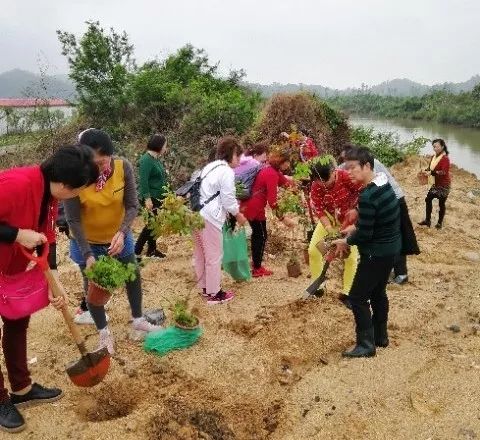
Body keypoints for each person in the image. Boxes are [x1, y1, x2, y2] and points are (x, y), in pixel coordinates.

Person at [0, 145, 98, 433]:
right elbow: (26, 233)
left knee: (17, 321)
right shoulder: (16, 185)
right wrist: (17, 234)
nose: (79, 195)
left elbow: (47, 236)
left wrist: (53, 279)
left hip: (10, 269)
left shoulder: (49, 192)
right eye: (79, 190)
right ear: (67, 185)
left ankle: (22, 389)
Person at [64, 129, 162, 354]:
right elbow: (73, 219)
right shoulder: (75, 177)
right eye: (92, 162)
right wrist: (88, 254)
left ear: (111, 155)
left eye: (102, 161)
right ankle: (104, 333)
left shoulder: (122, 167)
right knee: (93, 288)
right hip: (86, 242)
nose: (97, 167)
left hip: (119, 237)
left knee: (133, 274)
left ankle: (138, 319)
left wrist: (122, 232)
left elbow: (132, 205)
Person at [333, 147, 401, 358]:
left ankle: (365, 344)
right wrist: (354, 227)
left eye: (353, 168)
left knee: (357, 297)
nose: (349, 173)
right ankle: (380, 336)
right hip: (391, 250)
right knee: (378, 292)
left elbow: (365, 234)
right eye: (346, 168)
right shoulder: (383, 182)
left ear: (367, 166)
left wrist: (346, 240)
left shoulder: (368, 195)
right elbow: (371, 220)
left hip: (375, 253)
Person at [339, 145, 420, 285]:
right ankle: (386, 270)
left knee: (397, 234)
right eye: (345, 161)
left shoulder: (369, 166)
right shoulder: (357, 166)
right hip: (384, 201)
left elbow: (373, 192)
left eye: (349, 162)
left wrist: (357, 212)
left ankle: (401, 273)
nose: (347, 165)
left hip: (395, 199)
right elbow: (338, 170)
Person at [193, 136, 247, 304]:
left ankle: (205, 288)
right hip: (210, 217)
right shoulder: (226, 171)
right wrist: (238, 215)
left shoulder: (210, 167)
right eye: (238, 156)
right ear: (232, 154)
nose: (239, 160)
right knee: (214, 256)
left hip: (195, 213)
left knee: (201, 254)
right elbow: (228, 199)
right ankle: (214, 294)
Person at [308, 156, 361, 302]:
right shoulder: (316, 185)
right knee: (313, 250)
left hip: (349, 221)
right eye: (318, 182)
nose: (323, 185)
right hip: (329, 220)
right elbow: (318, 208)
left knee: (349, 257)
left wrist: (353, 223)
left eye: (326, 181)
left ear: (333, 172)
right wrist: (329, 228)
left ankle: (348, 293)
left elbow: (364, 196)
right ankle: (318, 286)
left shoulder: (347, 178)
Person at [240, 151, 294, 277]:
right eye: (287, 163)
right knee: (261, 236)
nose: (288, 166)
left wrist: (297, 188)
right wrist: (283, 218)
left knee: (259, 235)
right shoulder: (271, 174)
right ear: (282, 162)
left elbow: (286, 183)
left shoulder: (271, 170)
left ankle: (256, 266)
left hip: (249, 205)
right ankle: (257, 268)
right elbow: (273, 202)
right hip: (254, 207)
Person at [134, 133, 169, 259]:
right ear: (159, 146)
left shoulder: (155, 159)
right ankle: (136, 250)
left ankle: (152, 250)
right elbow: (143, 181)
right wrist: (147, 198)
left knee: (156, 224)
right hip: (152, 198)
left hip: (159, 197)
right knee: (151, 225)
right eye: (165, 145)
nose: (166, 148)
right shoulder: (146, 160)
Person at [418, 139, 451, 229]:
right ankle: (427, 221)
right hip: (435, 184)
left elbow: (443, 172)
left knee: (441, 203)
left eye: (436, 146)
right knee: (428, 199)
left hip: (444, 185)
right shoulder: (433, 157)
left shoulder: (445, 159)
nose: (435, 148)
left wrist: (431, 173)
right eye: (433, 146)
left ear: (442, 147)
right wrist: (425, 171)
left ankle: (439, 223)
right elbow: (430, 168)